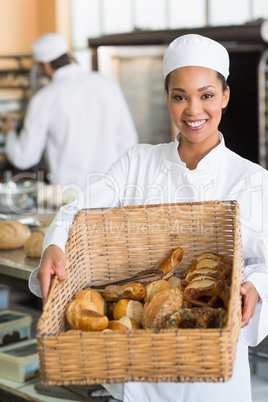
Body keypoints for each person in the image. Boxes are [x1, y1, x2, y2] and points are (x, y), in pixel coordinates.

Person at [29, 34, 268, 402]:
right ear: (167, 97)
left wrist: (255, 287)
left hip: (213, 376)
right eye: (179, 96)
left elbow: (262, 264)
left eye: (206, 95)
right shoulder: (138, 161)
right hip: (135, 372)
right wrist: (54, 244)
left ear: (225, 96)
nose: (193, 110)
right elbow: (81, 208)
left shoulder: (251, 179)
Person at [1, 33, 138, 189]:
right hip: (112, 189)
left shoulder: (44, 98)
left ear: (46, 65)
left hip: (70, 196)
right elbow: (129, 140)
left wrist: (9, 133)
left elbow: (24, 157)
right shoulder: (107, 84)